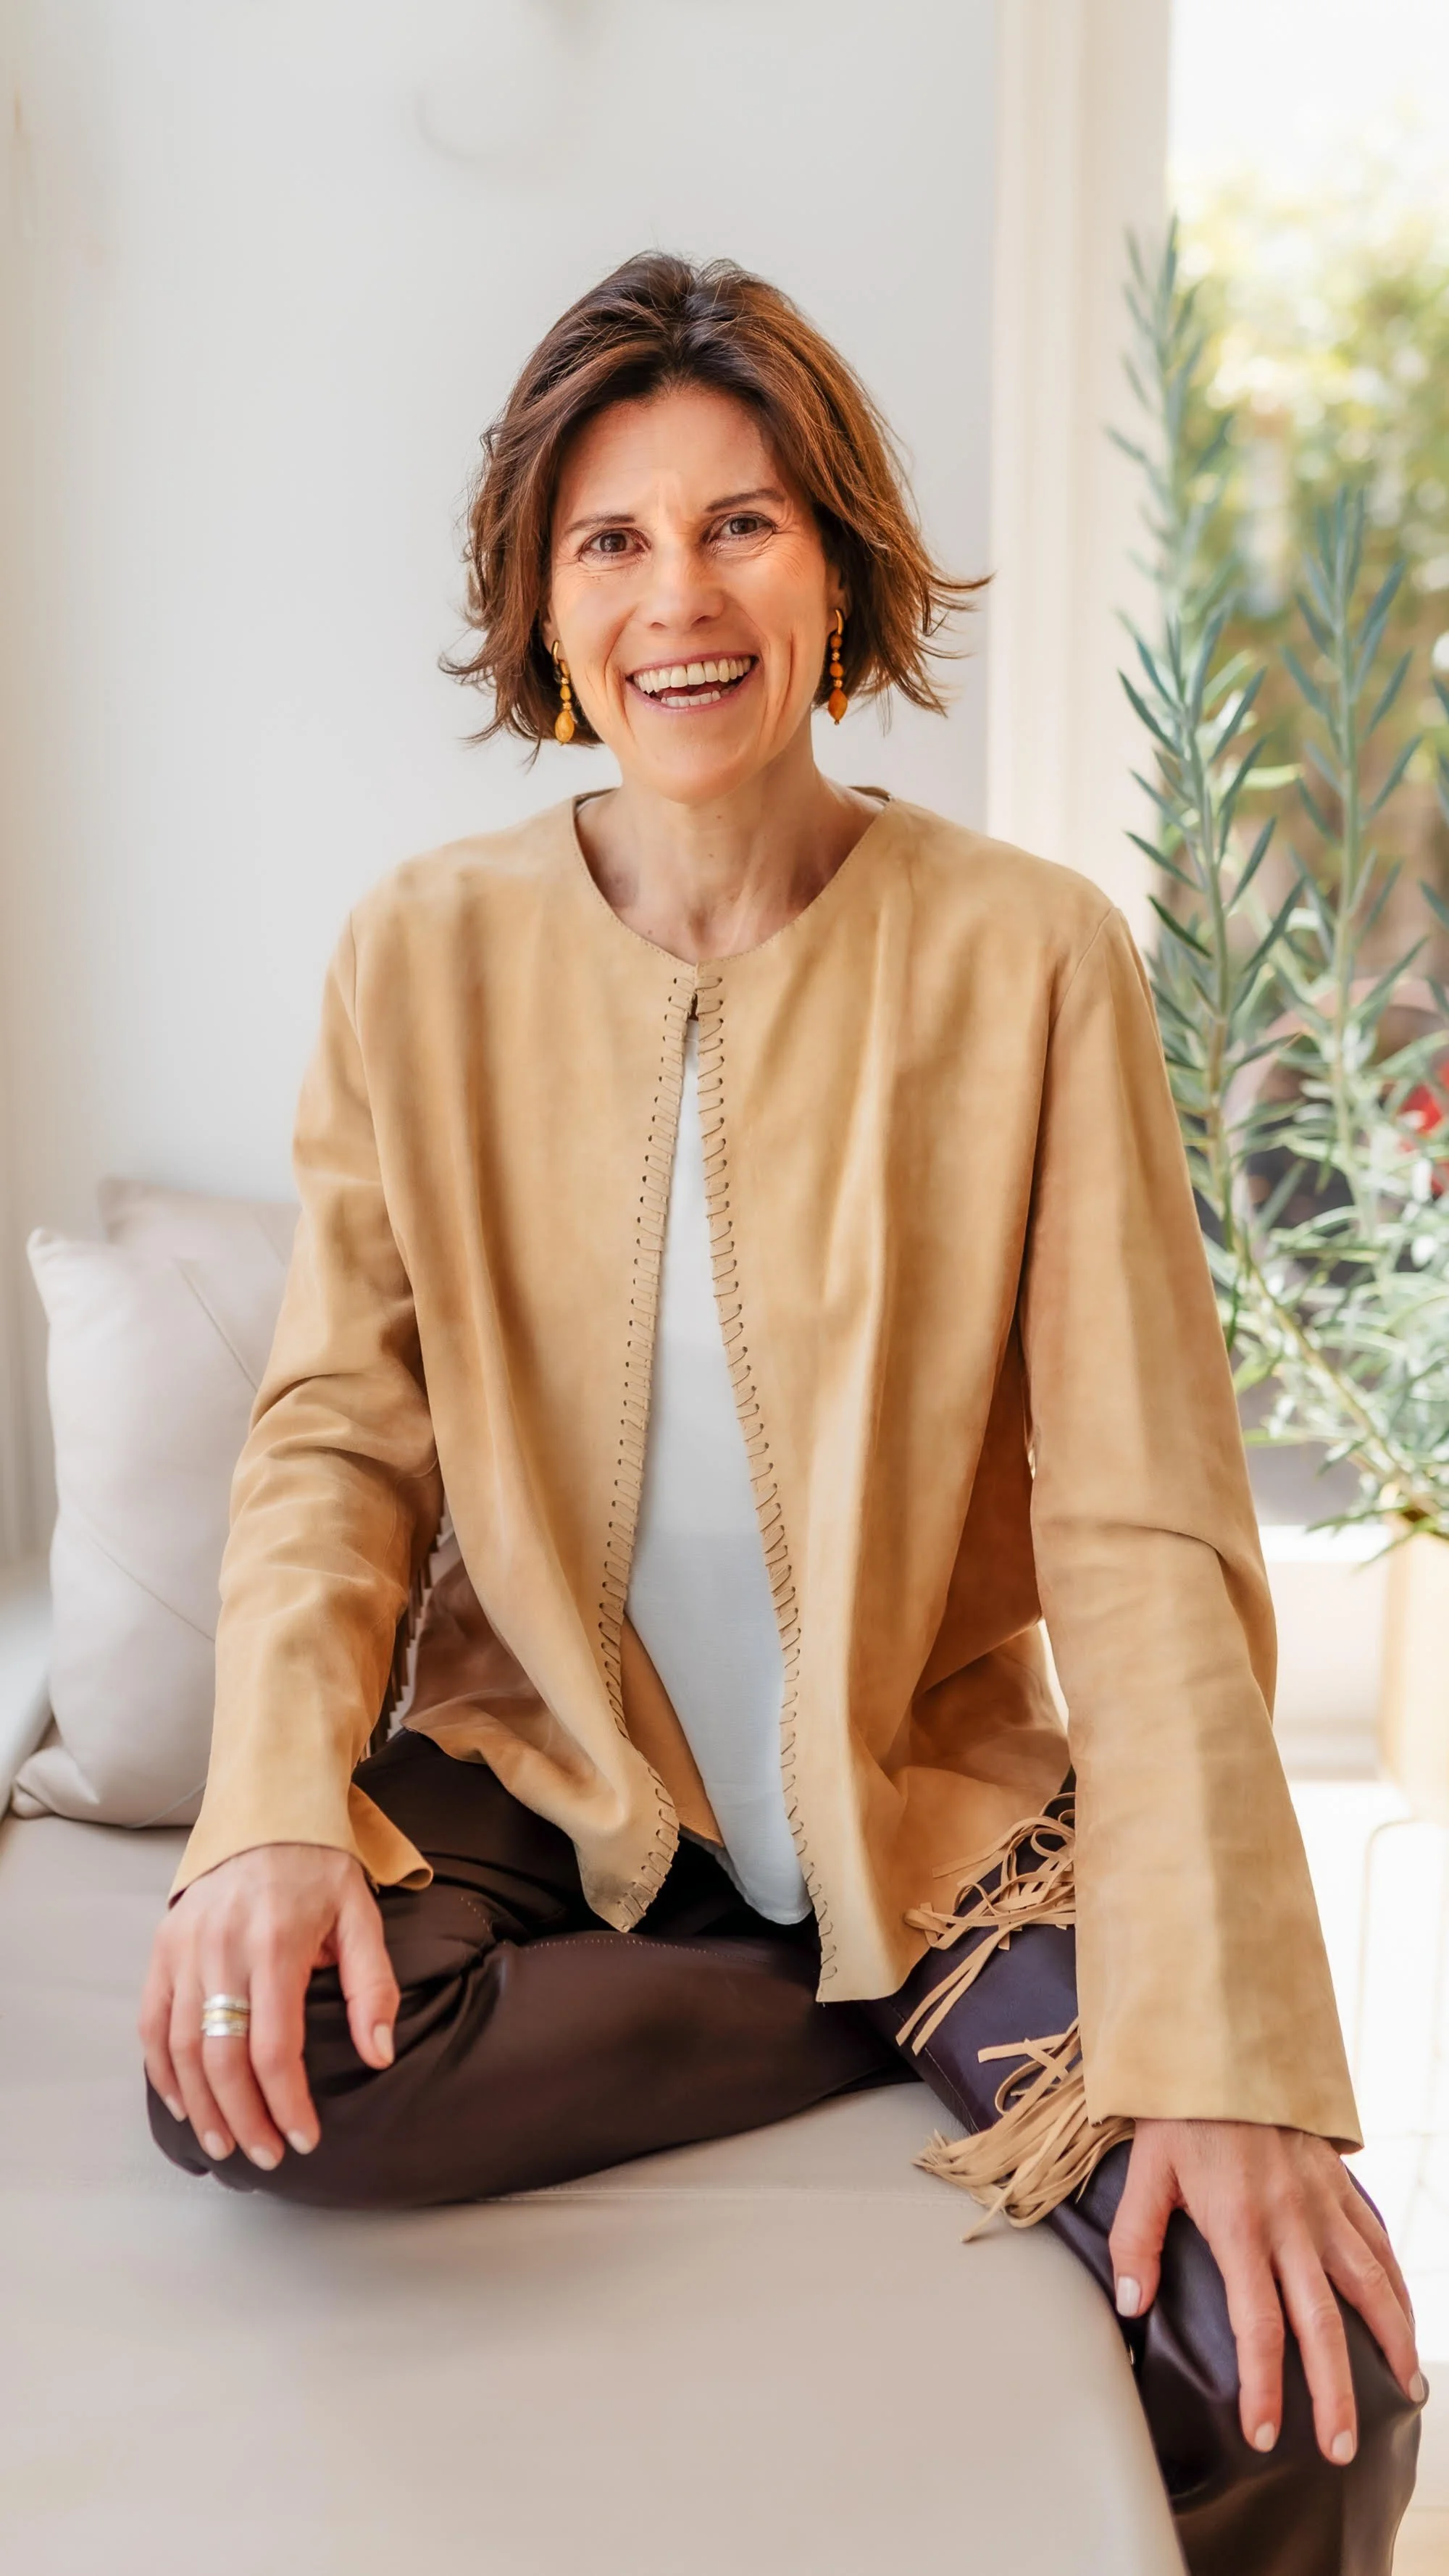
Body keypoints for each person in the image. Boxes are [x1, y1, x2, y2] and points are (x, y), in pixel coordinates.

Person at [141, 253, 1422, 2573]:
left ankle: (872, 1962)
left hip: (914, 1790)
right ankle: (837, 2009)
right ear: (541, 607)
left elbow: (1144, 1518)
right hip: (559, 1751)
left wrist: (1218, 2039)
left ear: (835, 564)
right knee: (244, 2077)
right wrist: (263, 1814)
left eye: (741, 524)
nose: (678, 597)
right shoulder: (415, 956)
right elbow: (338, 1432)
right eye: (610, 542)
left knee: (1305, 2388)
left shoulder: (1030, 956)